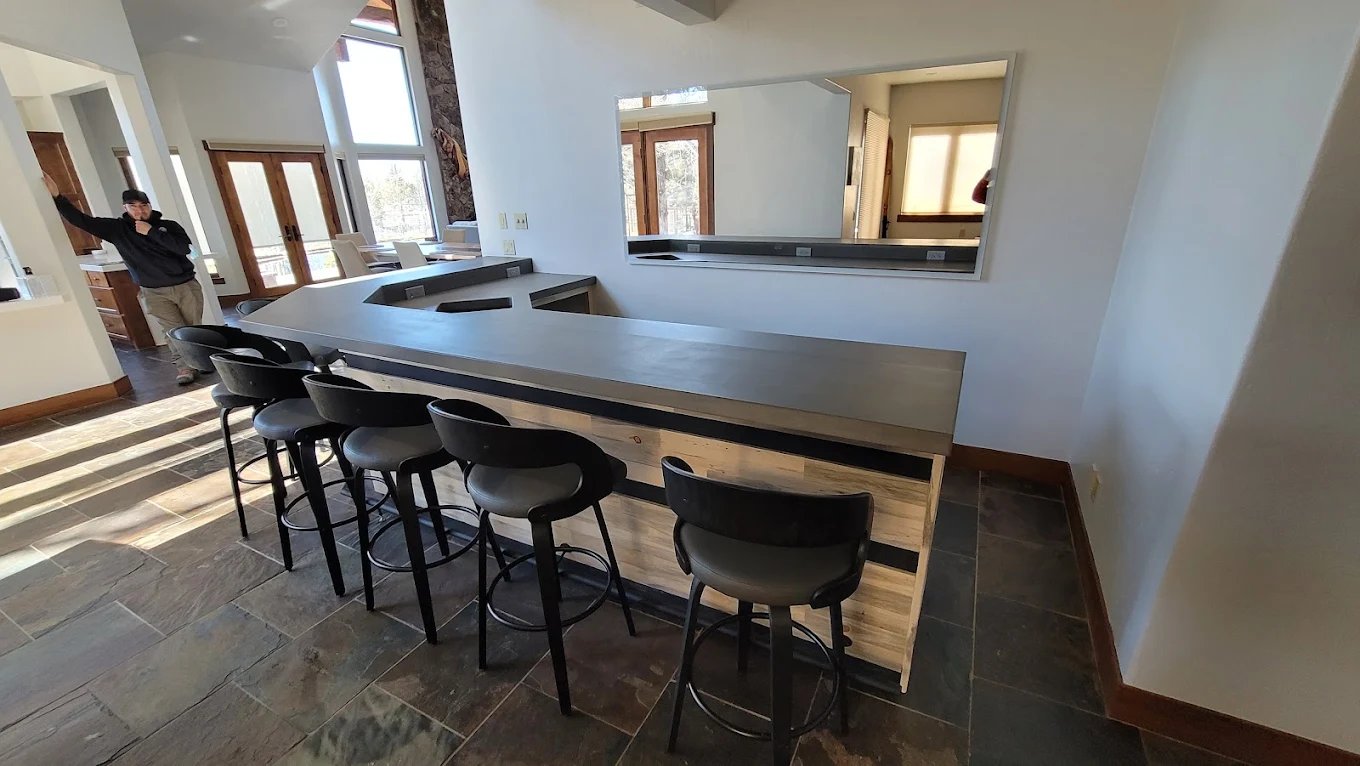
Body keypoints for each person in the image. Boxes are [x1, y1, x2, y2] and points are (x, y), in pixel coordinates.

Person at [42, 174, 204, 385]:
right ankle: (184, 367)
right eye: (133, 206)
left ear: (150, 206)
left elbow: (183, 249)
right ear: (125, 207)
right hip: (154, 291)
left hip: (186, 287)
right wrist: (58, 197)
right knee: (173, 330)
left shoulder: (169, 226)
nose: (139, 210)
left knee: (193, 328)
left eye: (144, 205)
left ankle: (199, 362)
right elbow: (81, 221)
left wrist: (152, 232)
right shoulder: (117, 230)